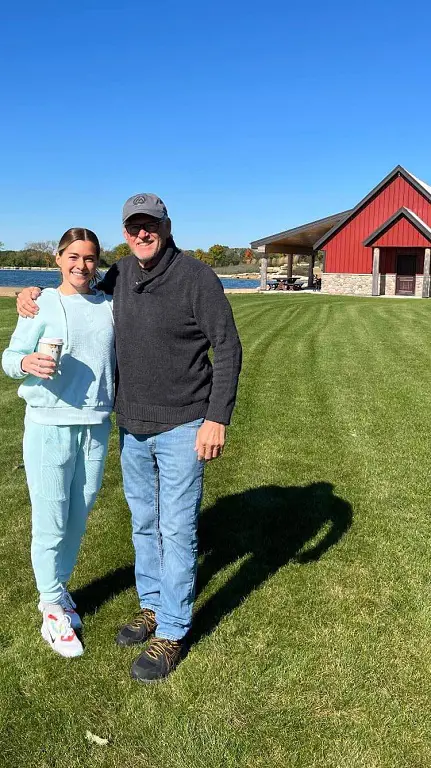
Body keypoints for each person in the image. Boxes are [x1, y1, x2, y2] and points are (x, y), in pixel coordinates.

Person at [16, 193, 242, 681]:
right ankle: (153, 606)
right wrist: (29, 292)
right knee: (144, 524)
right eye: (133, 226)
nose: (142, 234)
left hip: (185, 424)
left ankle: (174, 630)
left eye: (151, 225)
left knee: (177, 529)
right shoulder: (118, 275)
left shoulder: (196, 278)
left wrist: (216, 417)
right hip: (133, 426)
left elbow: (226, 345)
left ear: (166, 226)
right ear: (125, 232)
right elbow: (74, 285)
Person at [4, 228, 115, 658]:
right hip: (49, 425)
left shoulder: (110, 305)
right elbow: (10, 358)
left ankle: (59, 589)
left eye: (89, 258)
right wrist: (25, 362)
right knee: (50, 518)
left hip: (96, 424)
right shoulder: (41, 303)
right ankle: (50, 606)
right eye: (73, 256)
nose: (81, 266)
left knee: (78, 514)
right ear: (58, 258)